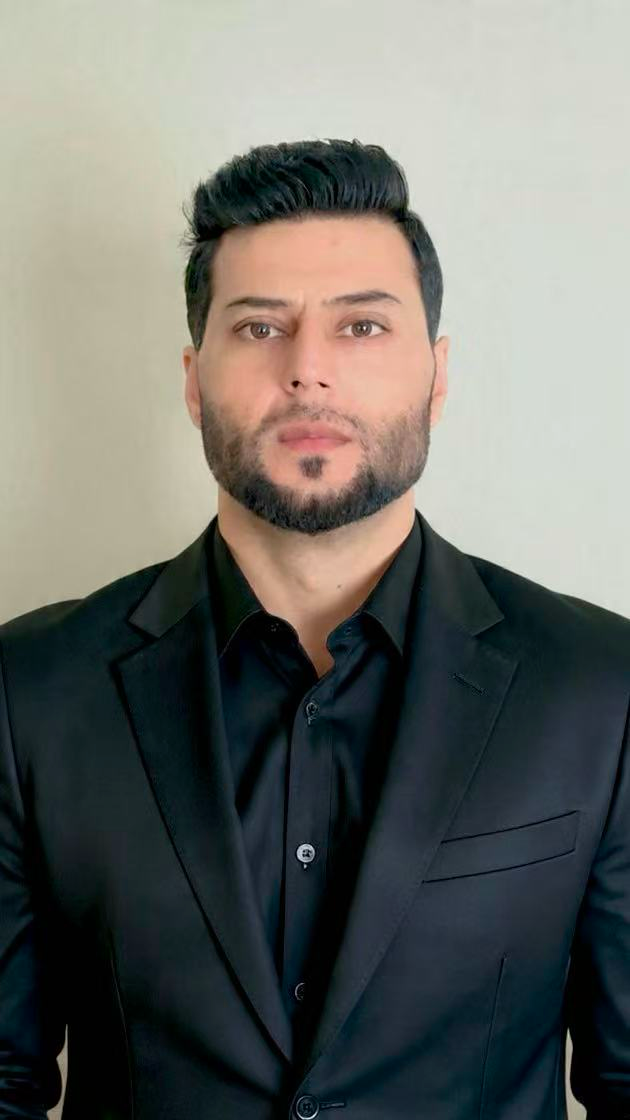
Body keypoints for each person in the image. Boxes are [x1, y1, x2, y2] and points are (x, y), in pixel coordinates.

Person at [1, 137, 628, 1120]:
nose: (308, 371)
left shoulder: (601, 686)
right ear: (193, 378)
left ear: (438, 374)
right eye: (259, 327)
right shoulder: (30, 688)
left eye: (362, 326)